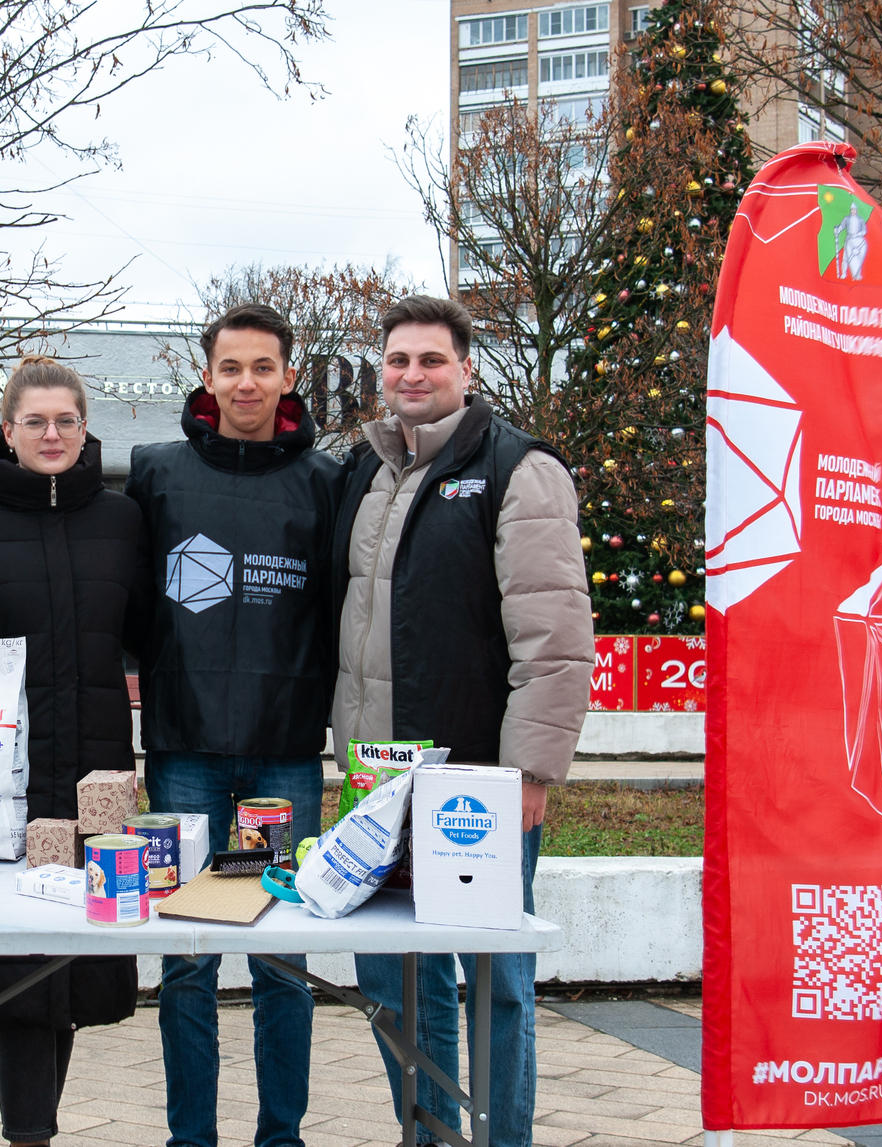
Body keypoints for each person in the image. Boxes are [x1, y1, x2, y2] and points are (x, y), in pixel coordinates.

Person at [331, 295, 594, 1147]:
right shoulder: (362, 473)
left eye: (432, 360)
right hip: (378, 782)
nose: (413, 374)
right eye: (398, 360)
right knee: (395, 979)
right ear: (382, 372)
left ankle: (502, 1139)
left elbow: (555, 640)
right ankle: (433, 1133)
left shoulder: (520, 469)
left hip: (476, 783)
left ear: (466, 369)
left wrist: (532, 774)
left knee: (496, 983)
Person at [125, 303, 343, 1147]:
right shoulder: (156, 471)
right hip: (184, 756)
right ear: (206, 375)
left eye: (263, 367)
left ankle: (280, 1135)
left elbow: (339, 609)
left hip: (285, 757)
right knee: (187, 964)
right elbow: (135, 602)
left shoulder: (328, 480)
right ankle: (192, 1137)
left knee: (283, 961)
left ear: (289, 376)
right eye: (231, 367)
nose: (246, 382)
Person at [0, 356, 146, 1146]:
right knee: (20, 961)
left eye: (66, 420)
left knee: (76, 956)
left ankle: (39, 1126)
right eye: (36, 421)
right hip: (2, 780)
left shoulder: (122, 521)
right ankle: (28, 1134)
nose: (51, 434)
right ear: (7, 429)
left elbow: (146, 632)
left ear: (85, 428)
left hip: (95, 771)